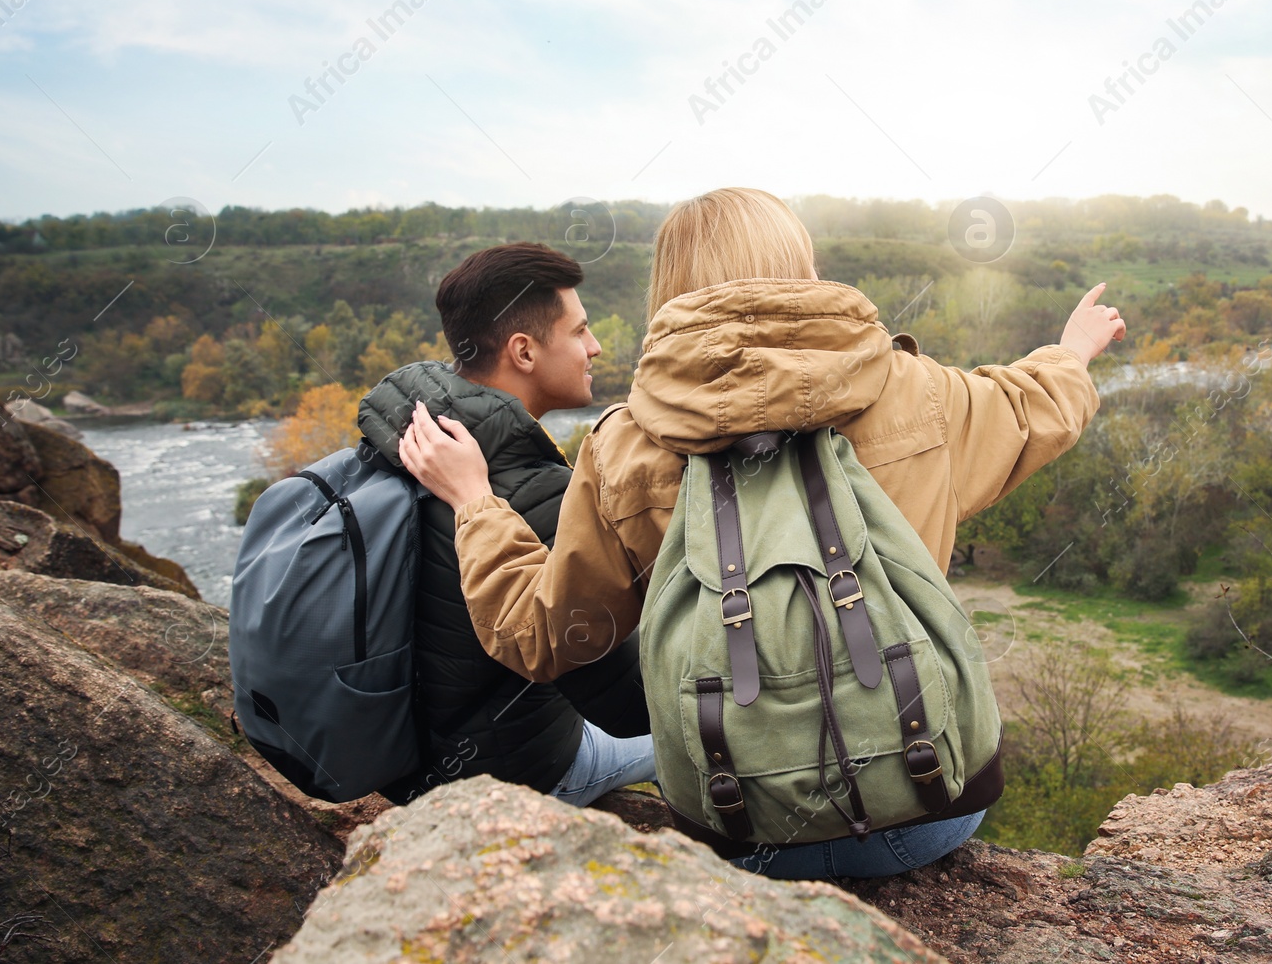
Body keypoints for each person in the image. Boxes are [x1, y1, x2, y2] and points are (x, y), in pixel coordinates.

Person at [397, 188, 1125, 876]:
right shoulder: (916, 393)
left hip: (742, 830)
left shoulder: (625, 446)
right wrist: (1074, 351)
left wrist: (475, 502)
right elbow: (1032, 406)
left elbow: (545, 637)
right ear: (799, 270)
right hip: (932, 811)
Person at [360, 241, 656, 808]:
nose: (594, 348)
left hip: (410, 763)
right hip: (522, 771)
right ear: (524, 351)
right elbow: (634, 703)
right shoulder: (531, 490)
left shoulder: (414, 431)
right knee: (722, 741)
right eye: (580, 331)